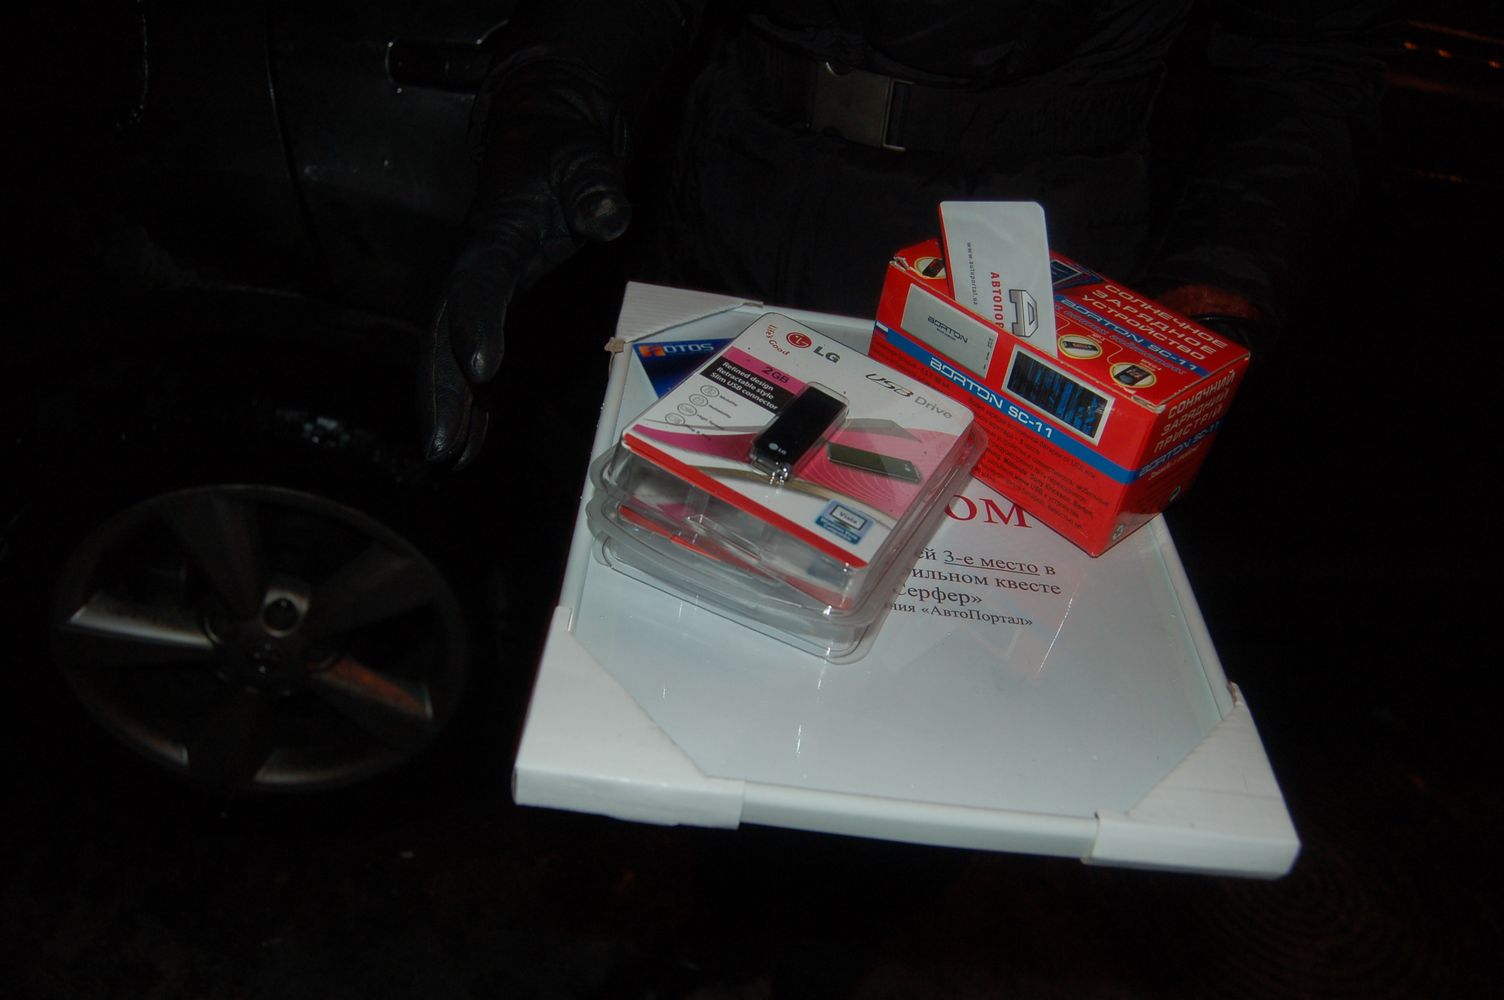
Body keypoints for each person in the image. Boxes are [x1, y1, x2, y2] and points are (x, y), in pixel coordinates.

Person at [418, 0, 1392, 468]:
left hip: (1031, 279)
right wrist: (556, 100)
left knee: (942, 677)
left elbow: (1307, 55)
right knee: (655, 568)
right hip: (727, 198)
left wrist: (1215, 289)